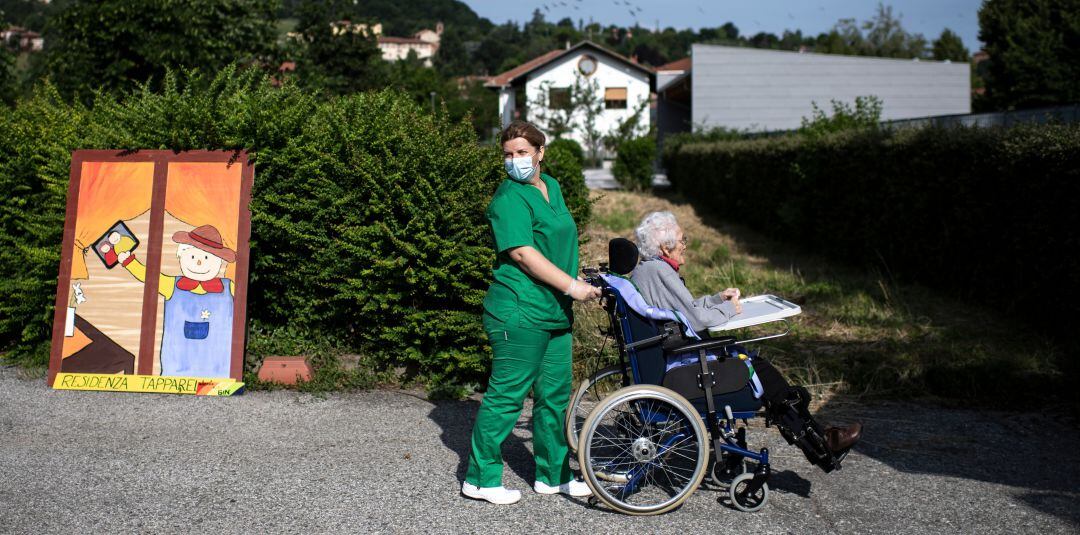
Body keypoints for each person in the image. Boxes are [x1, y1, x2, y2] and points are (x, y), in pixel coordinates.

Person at [630, 211, 861, 472]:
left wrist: (718, 299)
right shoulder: (661, 272)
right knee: (761, 370)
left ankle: (821, 439)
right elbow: (696, 319)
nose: (685, 246)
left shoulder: (648, 270)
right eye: (683, 240)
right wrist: (732, 309)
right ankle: (822, 443)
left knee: (761, 370)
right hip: (682, 362)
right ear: (665, 246)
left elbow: (683, 308)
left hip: (674, 353)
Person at [461, 121, 601, 505]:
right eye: (507, 154)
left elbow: (555, 239)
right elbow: (523, 253)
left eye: (522, 152)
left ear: (540, 152)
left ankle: (552, 475)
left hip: (554, 310)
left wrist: (574, 279)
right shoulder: (507, 199)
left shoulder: (551, 187)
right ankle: (480, 478)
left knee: (554, 397)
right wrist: (572, 286)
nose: (514, 161)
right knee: (506, 397)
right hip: (519, 310)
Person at [117, 224, 236, 378]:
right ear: (181, 256)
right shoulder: (172, 285)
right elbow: (150, 277)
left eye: (206, 258)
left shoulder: (229, 288)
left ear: (219, 262)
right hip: (176, 368)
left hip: (218, 369)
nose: (199, 263)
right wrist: (129, 262)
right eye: (193, 257)